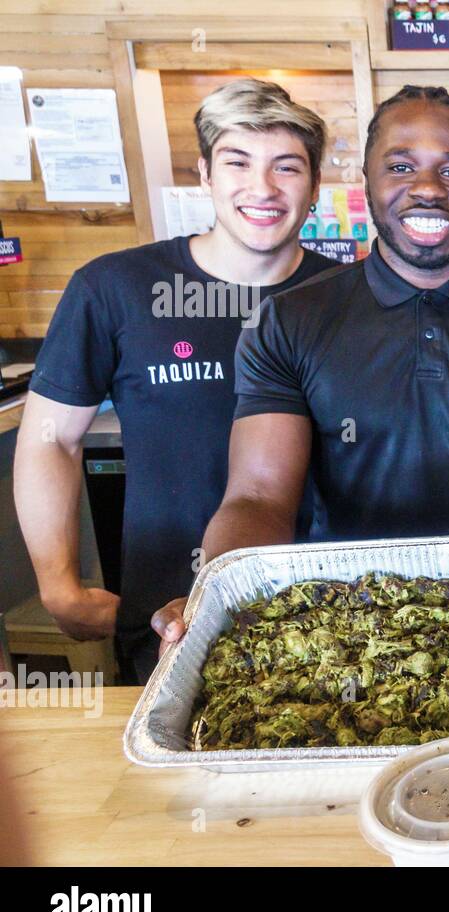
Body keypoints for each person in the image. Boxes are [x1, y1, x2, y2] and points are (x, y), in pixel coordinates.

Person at [151, 85, 449, 644]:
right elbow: (258, 496)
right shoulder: (287, 321)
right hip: (339, 622)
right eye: (400, 166)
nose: (427, 188)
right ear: (367, 184)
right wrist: (220, 591)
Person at [14, 79, 337, 683]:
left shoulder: (349, 298)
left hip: (331, 616)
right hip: (168, 619)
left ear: (315, 186)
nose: (262, 188)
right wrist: (59, 586)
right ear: (206, 175)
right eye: (237, 162)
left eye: (286, 167)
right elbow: (51, 439)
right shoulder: (116, 287)